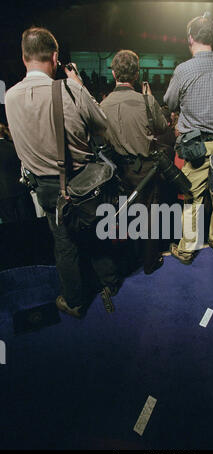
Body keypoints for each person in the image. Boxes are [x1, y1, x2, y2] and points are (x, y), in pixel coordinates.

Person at [5, 27, 121, 317]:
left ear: (23, 57)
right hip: (82, 182)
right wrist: (80, 85)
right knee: (95, 232)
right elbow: (103, 126)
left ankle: (74, 301)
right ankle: (110, 282)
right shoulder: (70, 89)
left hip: (44, 187)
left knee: (64, 242)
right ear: (55, 57)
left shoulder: (10, 97)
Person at [164, 16, 213, 263]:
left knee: (193, 199)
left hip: (197, 146)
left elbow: (170, 102)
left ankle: (187, 249)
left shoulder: (183, 70)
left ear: (190, 38)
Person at [100, 49, 168, 274]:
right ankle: (149, 262)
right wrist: (150, 98)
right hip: (146, 168)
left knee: (123, 214)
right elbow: (163, 128)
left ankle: (127, 262)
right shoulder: (146, 101)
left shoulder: (103, 106)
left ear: (113, 73)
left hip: (117, 168)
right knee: (149, 215)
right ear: (137, 75)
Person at [0, 122, 36, 223]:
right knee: (28, 223)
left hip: (3, 194)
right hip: (22, 189)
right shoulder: (15, 147)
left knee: (10, 227)